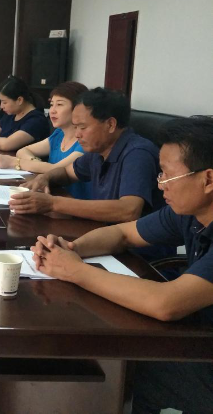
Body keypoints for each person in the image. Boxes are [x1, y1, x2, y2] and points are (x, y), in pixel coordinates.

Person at [30, 117, 213, 413]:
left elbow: (167, 303)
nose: (160, 184)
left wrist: (75, 270)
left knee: (120, 370)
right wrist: (72, 249)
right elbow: (123, 233)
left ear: (208, 180)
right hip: (197, 331)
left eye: (167, 175)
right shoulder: (188, 213)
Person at [10, 87, 163, 223]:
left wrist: (53, 203)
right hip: (102, 232)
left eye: (82, 127)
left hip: (133, 245)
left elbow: (128, 210)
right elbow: (66, 173)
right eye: (75, 127)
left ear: (110, 124)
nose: (77, 134)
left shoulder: (137, 154)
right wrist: (45, 178)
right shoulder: (98, 150)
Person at [0, 81, 90, 199]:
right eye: (52, 104)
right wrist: (38, 164)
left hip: (73, 203)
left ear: (78, 108)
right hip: (52, 196)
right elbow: (23, 151)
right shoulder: (59, 134)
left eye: (59, 105)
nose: (52, 110)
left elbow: (57, 170)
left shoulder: (86, 141)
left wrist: (15, 162)